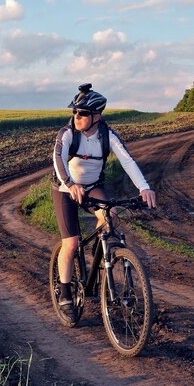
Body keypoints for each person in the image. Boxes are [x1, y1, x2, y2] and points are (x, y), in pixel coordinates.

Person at [52, 83, 156, 324]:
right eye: (75, 112)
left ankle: (103, 253)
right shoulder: (67, 134)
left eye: (83, 113)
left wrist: (144, 188)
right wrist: (70, 183)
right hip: (65, 188)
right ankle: (66, 293)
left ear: (96, 116)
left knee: (110, 217)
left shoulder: (107, 136)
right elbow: (58, 161)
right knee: (71, 242)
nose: (77, 116)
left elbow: (128, 161)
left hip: (92, 187)